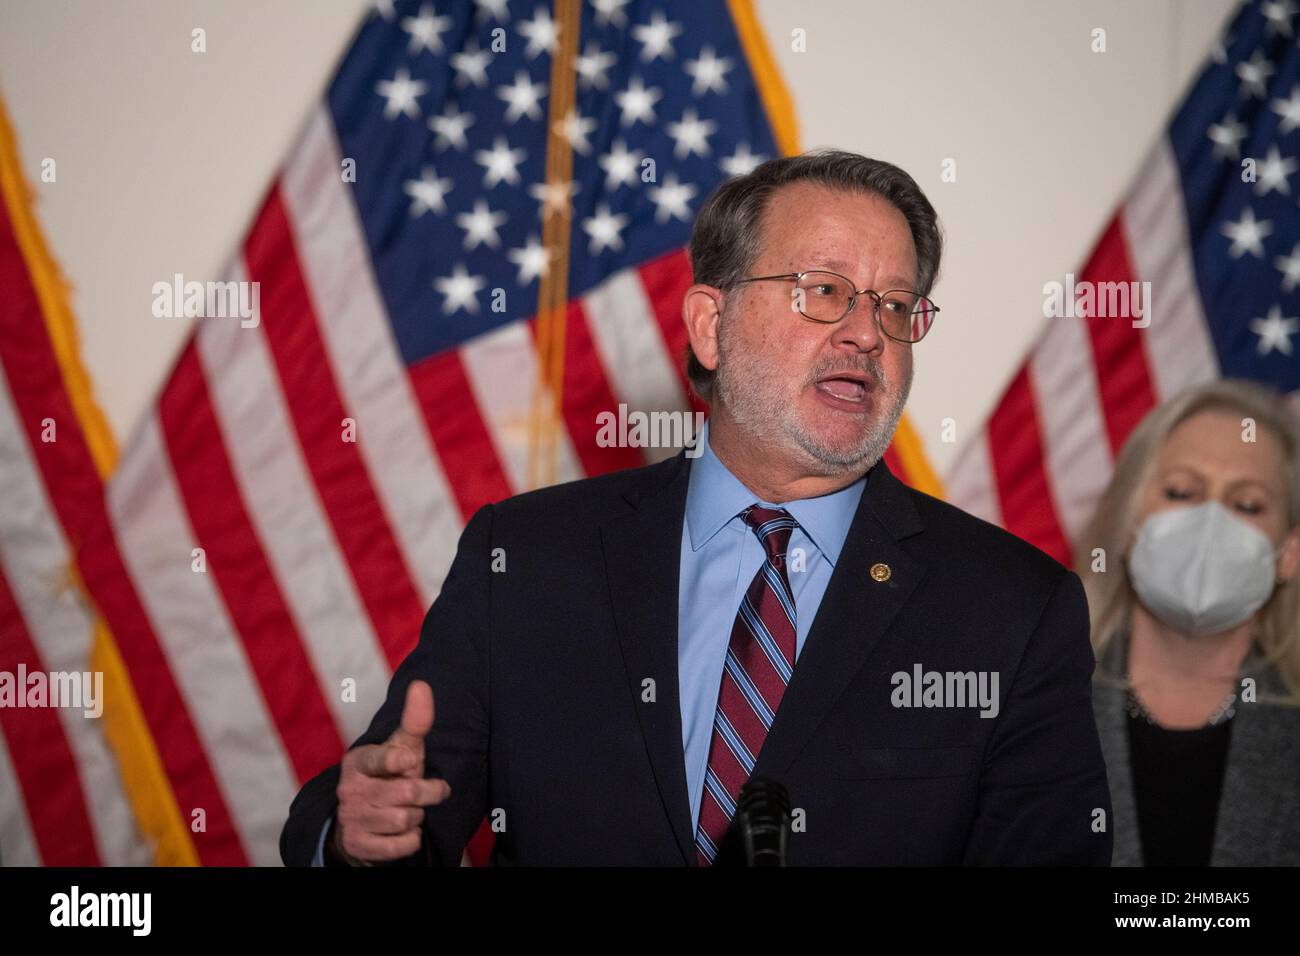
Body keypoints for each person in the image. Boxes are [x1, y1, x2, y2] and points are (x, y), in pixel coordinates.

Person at [281, 148, 1113, 866]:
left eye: (895, 306)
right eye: (823, 290)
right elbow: (390, 806)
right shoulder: (528, 559)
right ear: (710, 325)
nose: (867, 333)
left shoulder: (1012, 609)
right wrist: (359, 839)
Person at [1076, 379, 1300, 866]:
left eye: (1247, 505)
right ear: (1130, 517)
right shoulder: (1034, 699)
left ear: (1290, 552)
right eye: (1181, 491)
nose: (1209, 524)